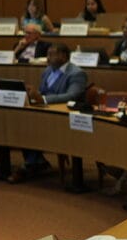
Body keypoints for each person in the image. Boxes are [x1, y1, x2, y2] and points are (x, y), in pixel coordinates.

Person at [8, 44, 88, 183]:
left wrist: (43, 98)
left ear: (63, 56)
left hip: (65, 118)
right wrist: (32, 94)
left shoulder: (76, 73)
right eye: (48, 54)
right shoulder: (47, 71)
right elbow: (41, 92)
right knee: (23, 125)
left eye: (52, 54)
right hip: (44, 112)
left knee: (33, 128)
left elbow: (72, 95)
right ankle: (35, 161)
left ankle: (31, 164)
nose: (48, 58)